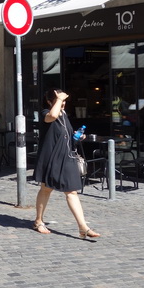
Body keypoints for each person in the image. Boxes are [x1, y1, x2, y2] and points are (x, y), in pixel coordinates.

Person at [32, 88, 101, 239]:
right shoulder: (46, 113)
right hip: (50, 158)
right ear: (50, 101)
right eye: (60, 102)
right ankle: (38, 221)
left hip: (66, 157)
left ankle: (83, 227)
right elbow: (52, 115)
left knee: (72, 192)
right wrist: (58, 100)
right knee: (46, 189)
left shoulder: (63, 115)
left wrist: (77, 137)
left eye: (64, 102)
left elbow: (66, 133)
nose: (63, 105)